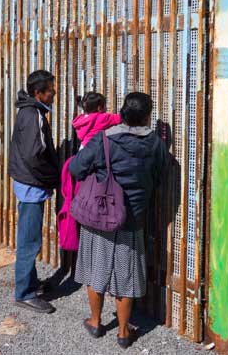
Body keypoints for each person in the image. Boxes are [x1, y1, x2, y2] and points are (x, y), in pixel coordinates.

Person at [69, 92, 167, 347]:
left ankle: (95, 322)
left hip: (100, 216)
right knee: (125, 276)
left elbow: (77, 168)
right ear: (147, 116)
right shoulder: (155, 144)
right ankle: (124, 332)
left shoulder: (104, 140)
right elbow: (160, 177)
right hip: (132, 219)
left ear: (122, 112)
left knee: (95, 269)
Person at [8, 69, 60, 314]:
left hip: (26, 182)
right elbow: (33, 154)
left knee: (28, 238)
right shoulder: (34, 115)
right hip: (31, 185)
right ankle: (24, 293)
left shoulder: (29, 111)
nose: (54, 93)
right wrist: (53, 176)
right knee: (29, 241)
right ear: (38, 93)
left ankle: (29, 284)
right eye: (50, 90)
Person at [57, 92, 121, 276]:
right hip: (94, 154)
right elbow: (120, 119)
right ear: (100, 107)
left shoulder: (80, 120)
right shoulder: (102, 118)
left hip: (82, 152)